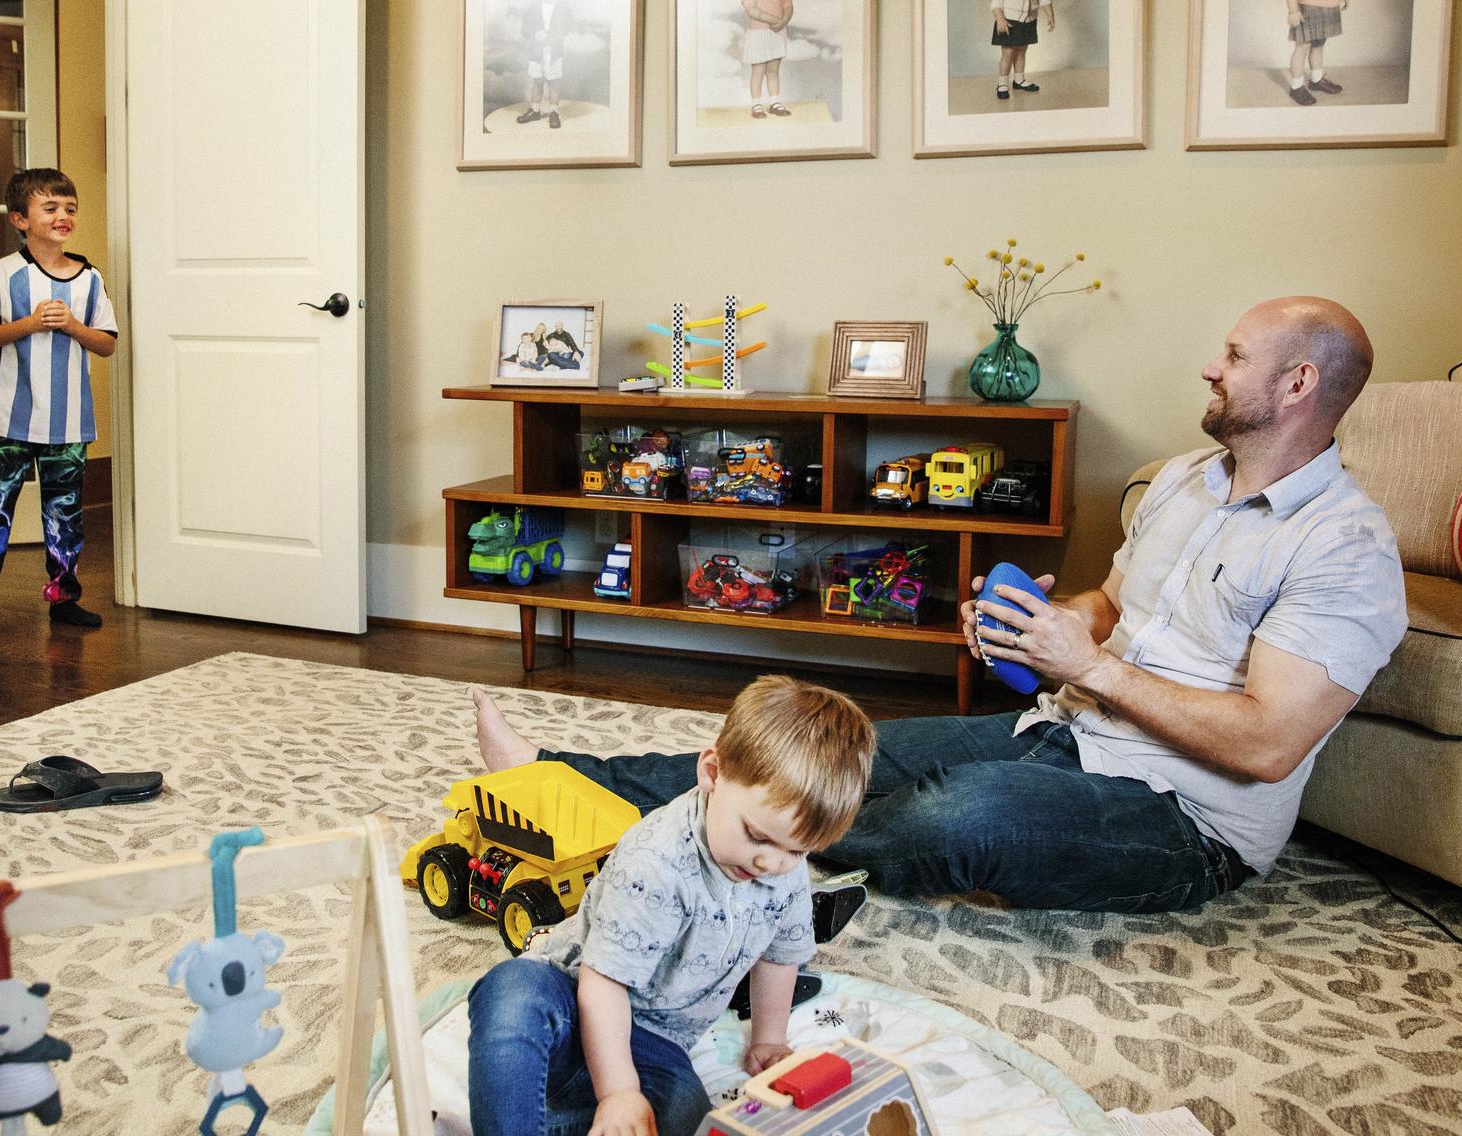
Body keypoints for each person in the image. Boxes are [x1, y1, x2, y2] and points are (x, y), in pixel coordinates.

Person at [473, 297, 1407, 916]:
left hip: (1186, 821)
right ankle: (558, 777)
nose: (1212, 366)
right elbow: (1109, 606)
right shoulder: (1185, 482)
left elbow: (1267, 743)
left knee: (955, 816)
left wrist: (1090, 667)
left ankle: (726, 855)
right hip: (1063, 727)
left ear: (1298, 385)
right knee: (822, 751)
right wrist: (1048, 626)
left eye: (1236, 356)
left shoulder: (1344, 549)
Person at [465, 675, 876, 1136]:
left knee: (688, 1111)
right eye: (757, 836)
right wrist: (618, 1092)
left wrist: (768, 1039)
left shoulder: (783, 871)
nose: (770, 862)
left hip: (655, 1042)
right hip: (574, 999)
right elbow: (602, 985)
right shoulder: (656, 862)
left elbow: (778, 957)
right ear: (712, 774)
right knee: (511, 991)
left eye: (797, 851)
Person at [0, 168, 119, 641]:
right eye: (50, 208)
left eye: (70, 208)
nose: (63, 216)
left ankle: (65, 598)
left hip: (69, 424)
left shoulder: (90, 279)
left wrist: (70, 325)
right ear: (19, 219)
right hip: (10, 420)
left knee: (65, 512)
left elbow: (106, 344)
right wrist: (28, 323)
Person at [515, 0, 573, 129]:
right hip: (536, 50)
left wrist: (553, 36)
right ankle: (535, 111)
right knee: (537, 81)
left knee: (554, 81)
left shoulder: (563, 6)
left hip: (554, 50)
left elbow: (568, 25)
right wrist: (535, 35)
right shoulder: (532, 8)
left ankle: (554, 113)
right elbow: (525, 30)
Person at [1285, 0, 1347, 106]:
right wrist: (1293, 10)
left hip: (1329, 4)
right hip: (1307, 6)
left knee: (1319, 43)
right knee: (1302, 47)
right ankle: (1296, 88)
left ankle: (1317, 80)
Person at [991, 0, 1055, 98]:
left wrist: (1050, 15)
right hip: (1009, 20)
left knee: (1021, 51)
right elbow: (995, 2)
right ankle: (1002, 83)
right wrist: (1000, 19)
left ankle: (1019, 79)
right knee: (1008, 54)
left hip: (1029, 19)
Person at [742, 0, 793, 119]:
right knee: (758, 72)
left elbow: (788, 7)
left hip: (777, 32)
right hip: (758, 33)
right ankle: (756, 104)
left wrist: (784, 21)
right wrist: (773, 19)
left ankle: (774, 102)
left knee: (773, 71)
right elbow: (751, 10)